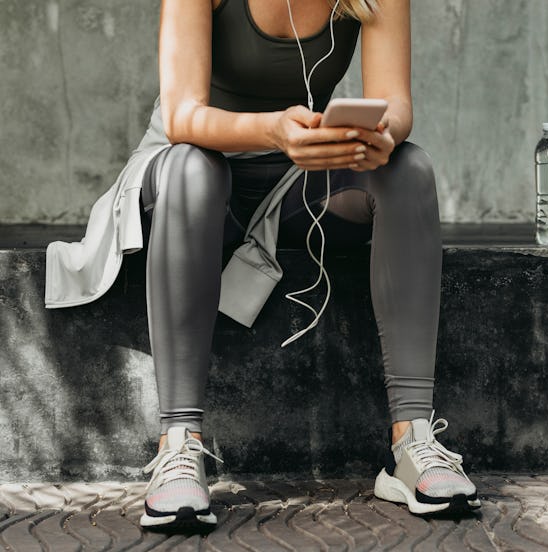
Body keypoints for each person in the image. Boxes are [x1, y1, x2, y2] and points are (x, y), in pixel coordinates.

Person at [44, 0, 479, 533]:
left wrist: (375, 137)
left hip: (296, 178)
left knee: (409, 168)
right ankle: (179, 444)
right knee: (191, 169)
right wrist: (274, 131)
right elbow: (184, 116)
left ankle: (410, 443)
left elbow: (397, 107)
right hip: (193, 171)